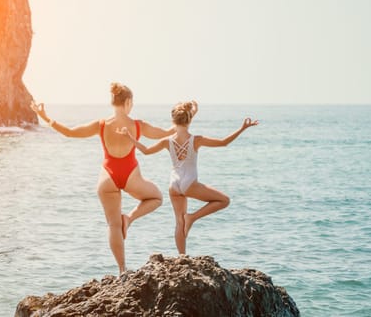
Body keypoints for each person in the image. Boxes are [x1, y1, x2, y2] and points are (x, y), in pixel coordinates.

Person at [30, 83, 174, 274]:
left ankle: (122, 270)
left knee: (113, 225)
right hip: (131, 175)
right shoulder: (139, 126)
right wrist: (185, 118)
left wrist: (45, 117)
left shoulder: (101, 125)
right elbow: (166, 133)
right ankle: (129, 218)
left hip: (108, 177)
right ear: (128, 102)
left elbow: (70, 132)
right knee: (156, 198)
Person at [117, 101, 258, 254]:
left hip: (174, 184)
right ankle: (192, 218)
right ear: (189, 120)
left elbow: (145, 150)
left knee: (179, 221)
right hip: (189, 183)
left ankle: (182, 257)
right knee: (224, 200)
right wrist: (242, 128)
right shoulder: (196, 140)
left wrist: (129, 136)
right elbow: (224, 142)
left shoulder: (167, 141)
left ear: (173, 121)